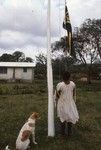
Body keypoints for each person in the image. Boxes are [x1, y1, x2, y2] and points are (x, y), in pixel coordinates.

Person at [54, 71, 79, 137]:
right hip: (69, 103)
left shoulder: (60, 85)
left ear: (63, 78)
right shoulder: (73, 84)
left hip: (62, 103)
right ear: (70, 77)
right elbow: (73, 94)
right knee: (69, 117)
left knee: (63, 118)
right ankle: (68, 133)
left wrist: (56, 100)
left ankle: (63, 133)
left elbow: (57, 95)